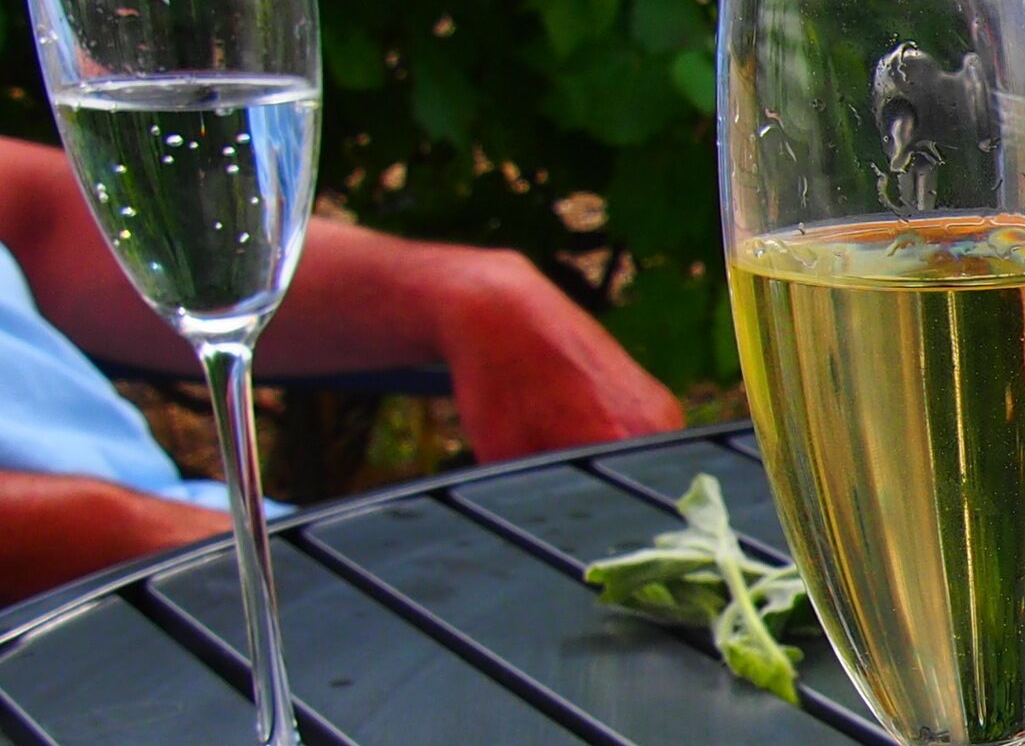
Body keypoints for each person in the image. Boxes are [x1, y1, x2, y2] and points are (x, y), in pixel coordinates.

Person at [0, 135, 681, 603]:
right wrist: (175, 547)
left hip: (207, 559)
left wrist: (469, 293)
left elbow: (34, 218)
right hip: (101, 624)